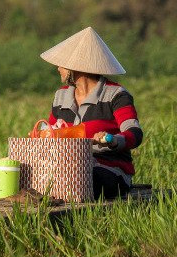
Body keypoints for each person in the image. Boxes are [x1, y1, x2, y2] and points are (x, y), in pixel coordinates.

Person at [40, 26, 144, 200]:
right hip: (68, 169)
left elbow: (135, 133)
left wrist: (113, 140)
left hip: (108, 169)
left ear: (76, 67)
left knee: (80, 180)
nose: (58, 68)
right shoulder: (61, 95)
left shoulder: (116, 95)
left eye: (62, 63)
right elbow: (51, 133)